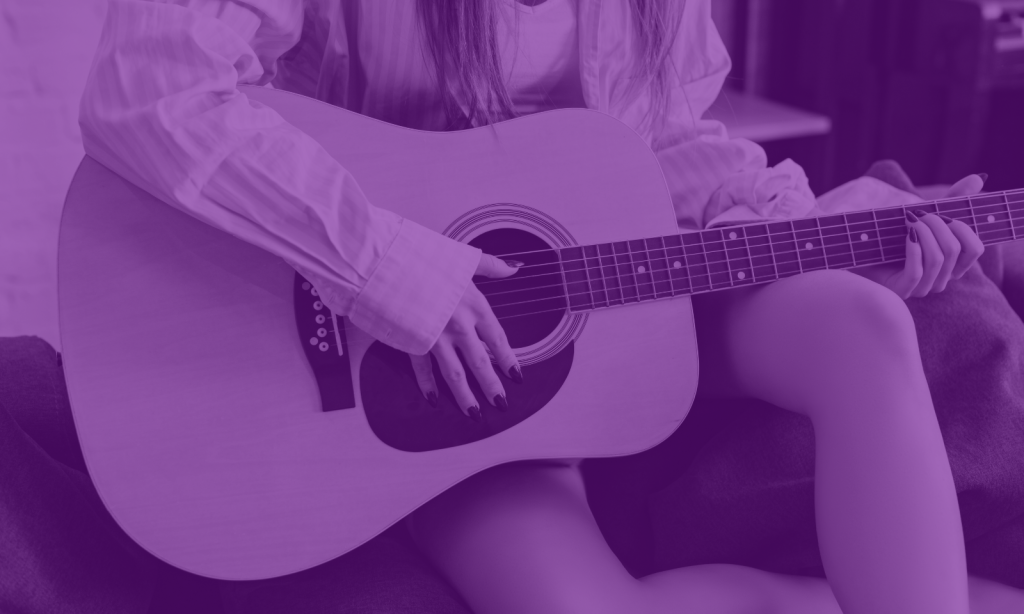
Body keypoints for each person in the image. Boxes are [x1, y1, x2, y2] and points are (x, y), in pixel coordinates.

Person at [72, 0, 1024, 612]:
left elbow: (669, 141)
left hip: (612, 290)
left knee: (860, 326)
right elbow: (143, 89)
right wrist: (385, 265)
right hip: (406, 371)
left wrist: (819, 227)